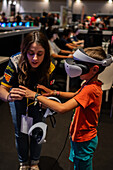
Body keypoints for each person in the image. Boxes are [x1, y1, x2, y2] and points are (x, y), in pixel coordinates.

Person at [19, 46, 110, 170]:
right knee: (78, 165)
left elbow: (62, 108)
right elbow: (75, 95)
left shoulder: (90, 90)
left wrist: (35, 95)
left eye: (81, 66)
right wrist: (54, 93)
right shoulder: (90, 83)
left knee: (83, 167)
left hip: (84, 140)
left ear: (95, 69)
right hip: (80, 136)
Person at [0, 31, 54, 170]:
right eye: (30, 53)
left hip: (39, 103)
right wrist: (8, 96)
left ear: (46, 52)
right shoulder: (15, 61)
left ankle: (35, 162)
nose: (35, 58)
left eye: (40, 54)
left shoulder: (50, 65)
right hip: (18, 103)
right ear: (24, 51)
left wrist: (48, 99)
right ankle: (23, 162)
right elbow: (2, 88)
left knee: (38, 133)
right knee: (21, 134)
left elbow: (50, 90)